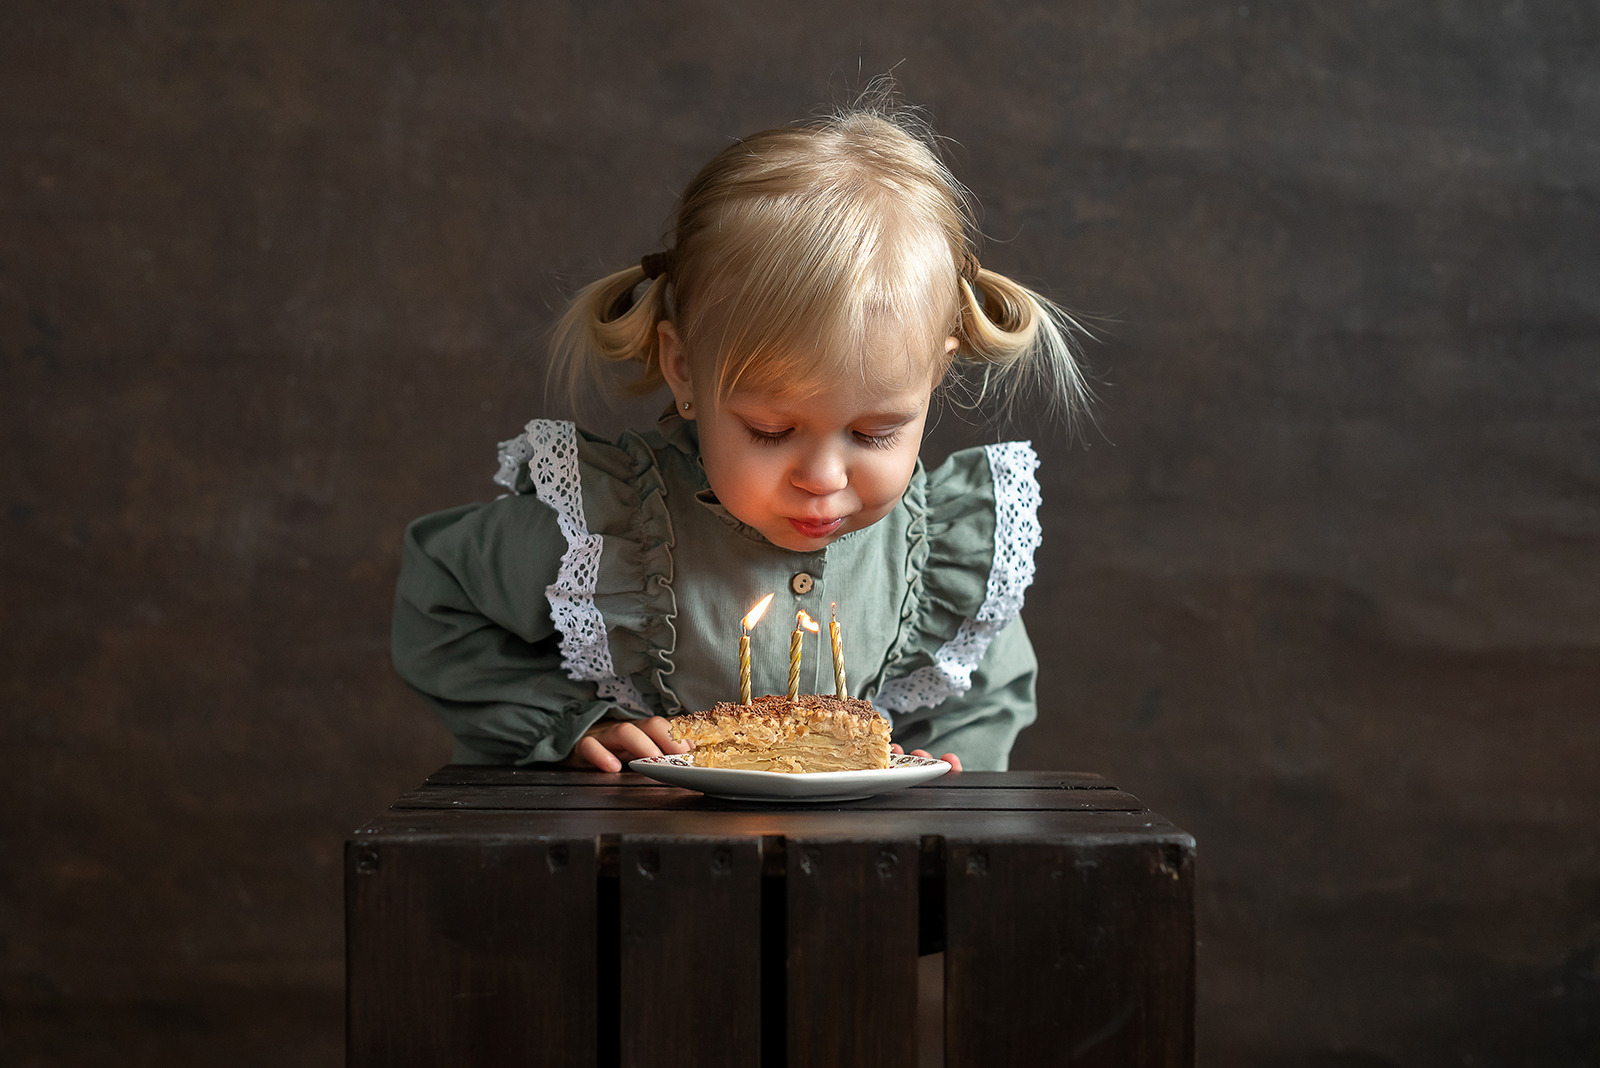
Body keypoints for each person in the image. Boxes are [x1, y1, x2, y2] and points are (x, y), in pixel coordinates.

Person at [391, 94, 1092, 773]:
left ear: (935, 377)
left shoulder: (945, 555)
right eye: (770, 430)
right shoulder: (606, 532)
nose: (823, 477)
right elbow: (440, 597)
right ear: (683, 371)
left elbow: (986, 690)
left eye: (874, 434)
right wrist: (563, 724)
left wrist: (950, 768)